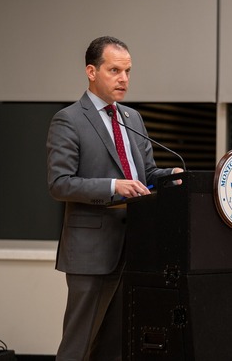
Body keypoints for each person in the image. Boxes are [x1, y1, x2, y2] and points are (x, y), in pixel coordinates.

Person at [46, 36, 183, 360]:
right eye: (115, 70)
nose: (124, 79)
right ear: (91, 71)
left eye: (128, 71)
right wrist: (113, 186)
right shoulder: (69, 120)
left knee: (115, 345)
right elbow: (60, 184)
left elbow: (145, 174)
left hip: (134, 247)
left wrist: (173, 176)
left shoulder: (132, 119)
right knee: (78, 344)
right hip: (91, 251)